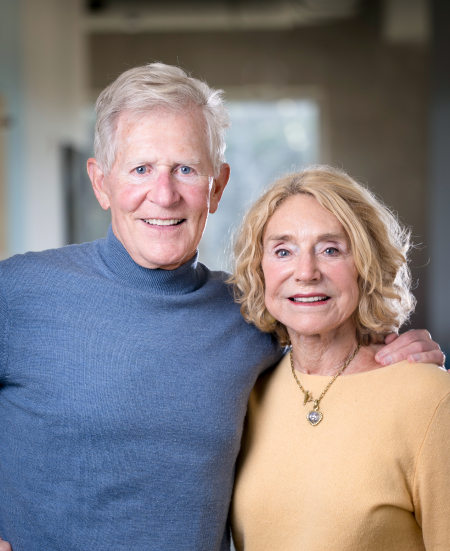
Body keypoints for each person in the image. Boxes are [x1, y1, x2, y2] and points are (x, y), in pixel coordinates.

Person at [0, 66, 443, 551]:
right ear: (101, 182)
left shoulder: (249, 315)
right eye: (141, 169)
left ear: (217, 186)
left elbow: (327, 336)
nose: (164, 194)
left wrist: (398, 352)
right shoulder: (18, 292)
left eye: (186, 169)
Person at [229, 166, 450, 550]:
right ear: (260, 270)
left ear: (365, 265)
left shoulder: (430, 399)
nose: (306, 272)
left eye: (330, 249)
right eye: (283, 251)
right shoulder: (248, 392)